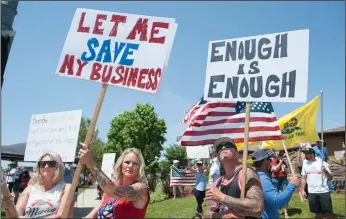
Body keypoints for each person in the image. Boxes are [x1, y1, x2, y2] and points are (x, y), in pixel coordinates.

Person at [78, 144, 150, 219]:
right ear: (121, 164)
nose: (130, 166)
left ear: (139, 167)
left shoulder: (142, 189)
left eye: (135, 163)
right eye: (127, 162)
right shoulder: (112, 187)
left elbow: (118, 192)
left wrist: (90, 163)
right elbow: (96, 212)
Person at [204, 137, 264, 218]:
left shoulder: (246, 174)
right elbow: (207, 213)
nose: (223, 148)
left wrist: (223, 198)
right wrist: (222, 216)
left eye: (228, 145)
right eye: (219, 148)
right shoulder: (217, 182)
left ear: (237, 153)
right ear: (218, 157)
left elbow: (257, 208)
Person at [3, 152, 73, 218]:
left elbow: (60, 216)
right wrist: (7, 207)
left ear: (58, 167)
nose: (46, 166)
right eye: (42, 164)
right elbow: (16, 216)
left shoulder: (66, 188)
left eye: (51, 164)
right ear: (39, 167)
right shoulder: (29, 189)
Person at [252, 149, 300, 219]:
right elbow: (278, 202)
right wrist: (292, 185)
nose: (271, 162)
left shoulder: (255, 175)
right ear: (265, 161)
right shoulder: (262, 179)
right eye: (270, 160)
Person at [301, 147, 334, 219]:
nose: (305, 156)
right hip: (312, 192)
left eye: (307, 154)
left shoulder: (321, 162)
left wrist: (325, 171)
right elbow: (303, 177)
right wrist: (302, 190)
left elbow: (331, 178)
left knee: (328, 213)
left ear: (312, 154)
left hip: (323, 191)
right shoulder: (305, 163)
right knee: (317, 213)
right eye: (305, 154)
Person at [270, 151, 290, 218]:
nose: (282, 157)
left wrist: (285, 169)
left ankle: (286, 213)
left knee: (285, 195)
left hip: (283, 179)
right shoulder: (273, 161)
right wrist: (280, 162)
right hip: (275, 179)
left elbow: (288, 172)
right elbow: (274, 169)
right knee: (274, 196)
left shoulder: (283, 162)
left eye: (282, 156)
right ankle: (275, 212)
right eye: (280, 156)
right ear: (276, 156)